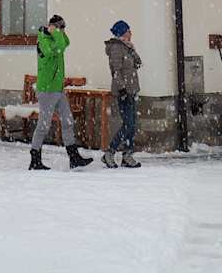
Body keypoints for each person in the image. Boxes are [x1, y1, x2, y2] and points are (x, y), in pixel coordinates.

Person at [29, 14, 93, 170]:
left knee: (68, 121)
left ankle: (74, 157)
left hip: (58, 89)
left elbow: (66, 43)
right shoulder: (43, 41)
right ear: (53, 27)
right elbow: (55, 50)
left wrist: (58, 32)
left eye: (64, 28)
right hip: (47, 90)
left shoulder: (56, 38)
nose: (63, 31)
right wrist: (55, 32)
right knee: (43, 126)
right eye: (61, 27)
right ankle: (35, 159)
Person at [102, 20, 142, 169]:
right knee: (128, 124)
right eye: (129, 31)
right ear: (123, 33)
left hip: (132, 90)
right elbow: (116, 71)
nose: (131, 33)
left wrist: (132, 50)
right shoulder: (116, 48)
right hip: (123, 91)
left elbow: (138, 63)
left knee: (132, 125)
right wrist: (122, 89)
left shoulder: (126, 47)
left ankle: (127, 155)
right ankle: (109, 153)